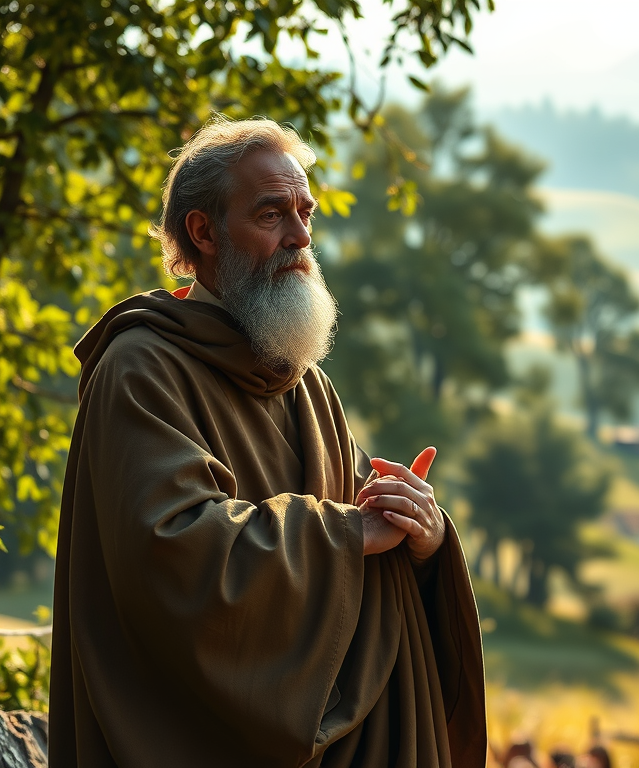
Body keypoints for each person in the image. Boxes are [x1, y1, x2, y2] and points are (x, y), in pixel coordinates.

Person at [48, 117, 487, 767]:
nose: (301, 237)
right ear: (203, 232)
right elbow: (169, 551)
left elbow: (370, 526)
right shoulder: (140, 369)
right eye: (272, 214)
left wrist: (418, 534)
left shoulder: (308, 386)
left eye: (305, 213)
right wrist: (344, 538)